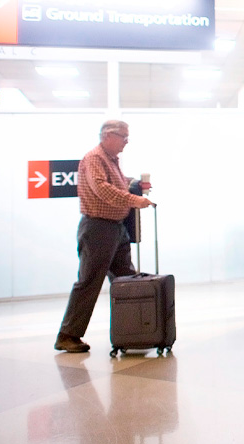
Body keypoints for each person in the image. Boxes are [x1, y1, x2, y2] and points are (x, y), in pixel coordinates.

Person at [55, 120, 153, 353]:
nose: (126, 142)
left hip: (116, 228)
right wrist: (134, 200)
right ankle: (67, 335)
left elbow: (116, 184)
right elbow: (103, 190)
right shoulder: (94, 159)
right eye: (123, 137)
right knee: (89, 281)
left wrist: (134, 184)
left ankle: (135, 332)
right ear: (107, 136)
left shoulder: (111, 160)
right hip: (98, 228)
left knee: (127, 280)